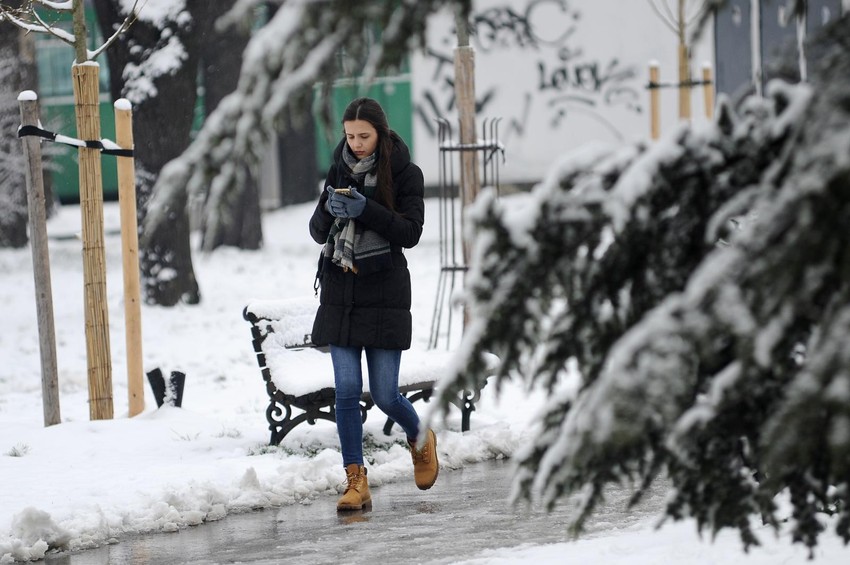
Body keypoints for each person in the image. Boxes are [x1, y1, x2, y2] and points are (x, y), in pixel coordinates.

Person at [308, 97, 438, 512]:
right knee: (346, 391)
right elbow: (316, 232)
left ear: (381, 133)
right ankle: (355, 481)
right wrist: (330, 208)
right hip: (340, 292)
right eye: (350, 135)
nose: (357, 143)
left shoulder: (405, 173)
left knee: (384, 394)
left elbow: (410, 232)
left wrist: (367, 210)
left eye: (364, 136)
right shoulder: (339, 169)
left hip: (384, 294)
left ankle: (421, 439)